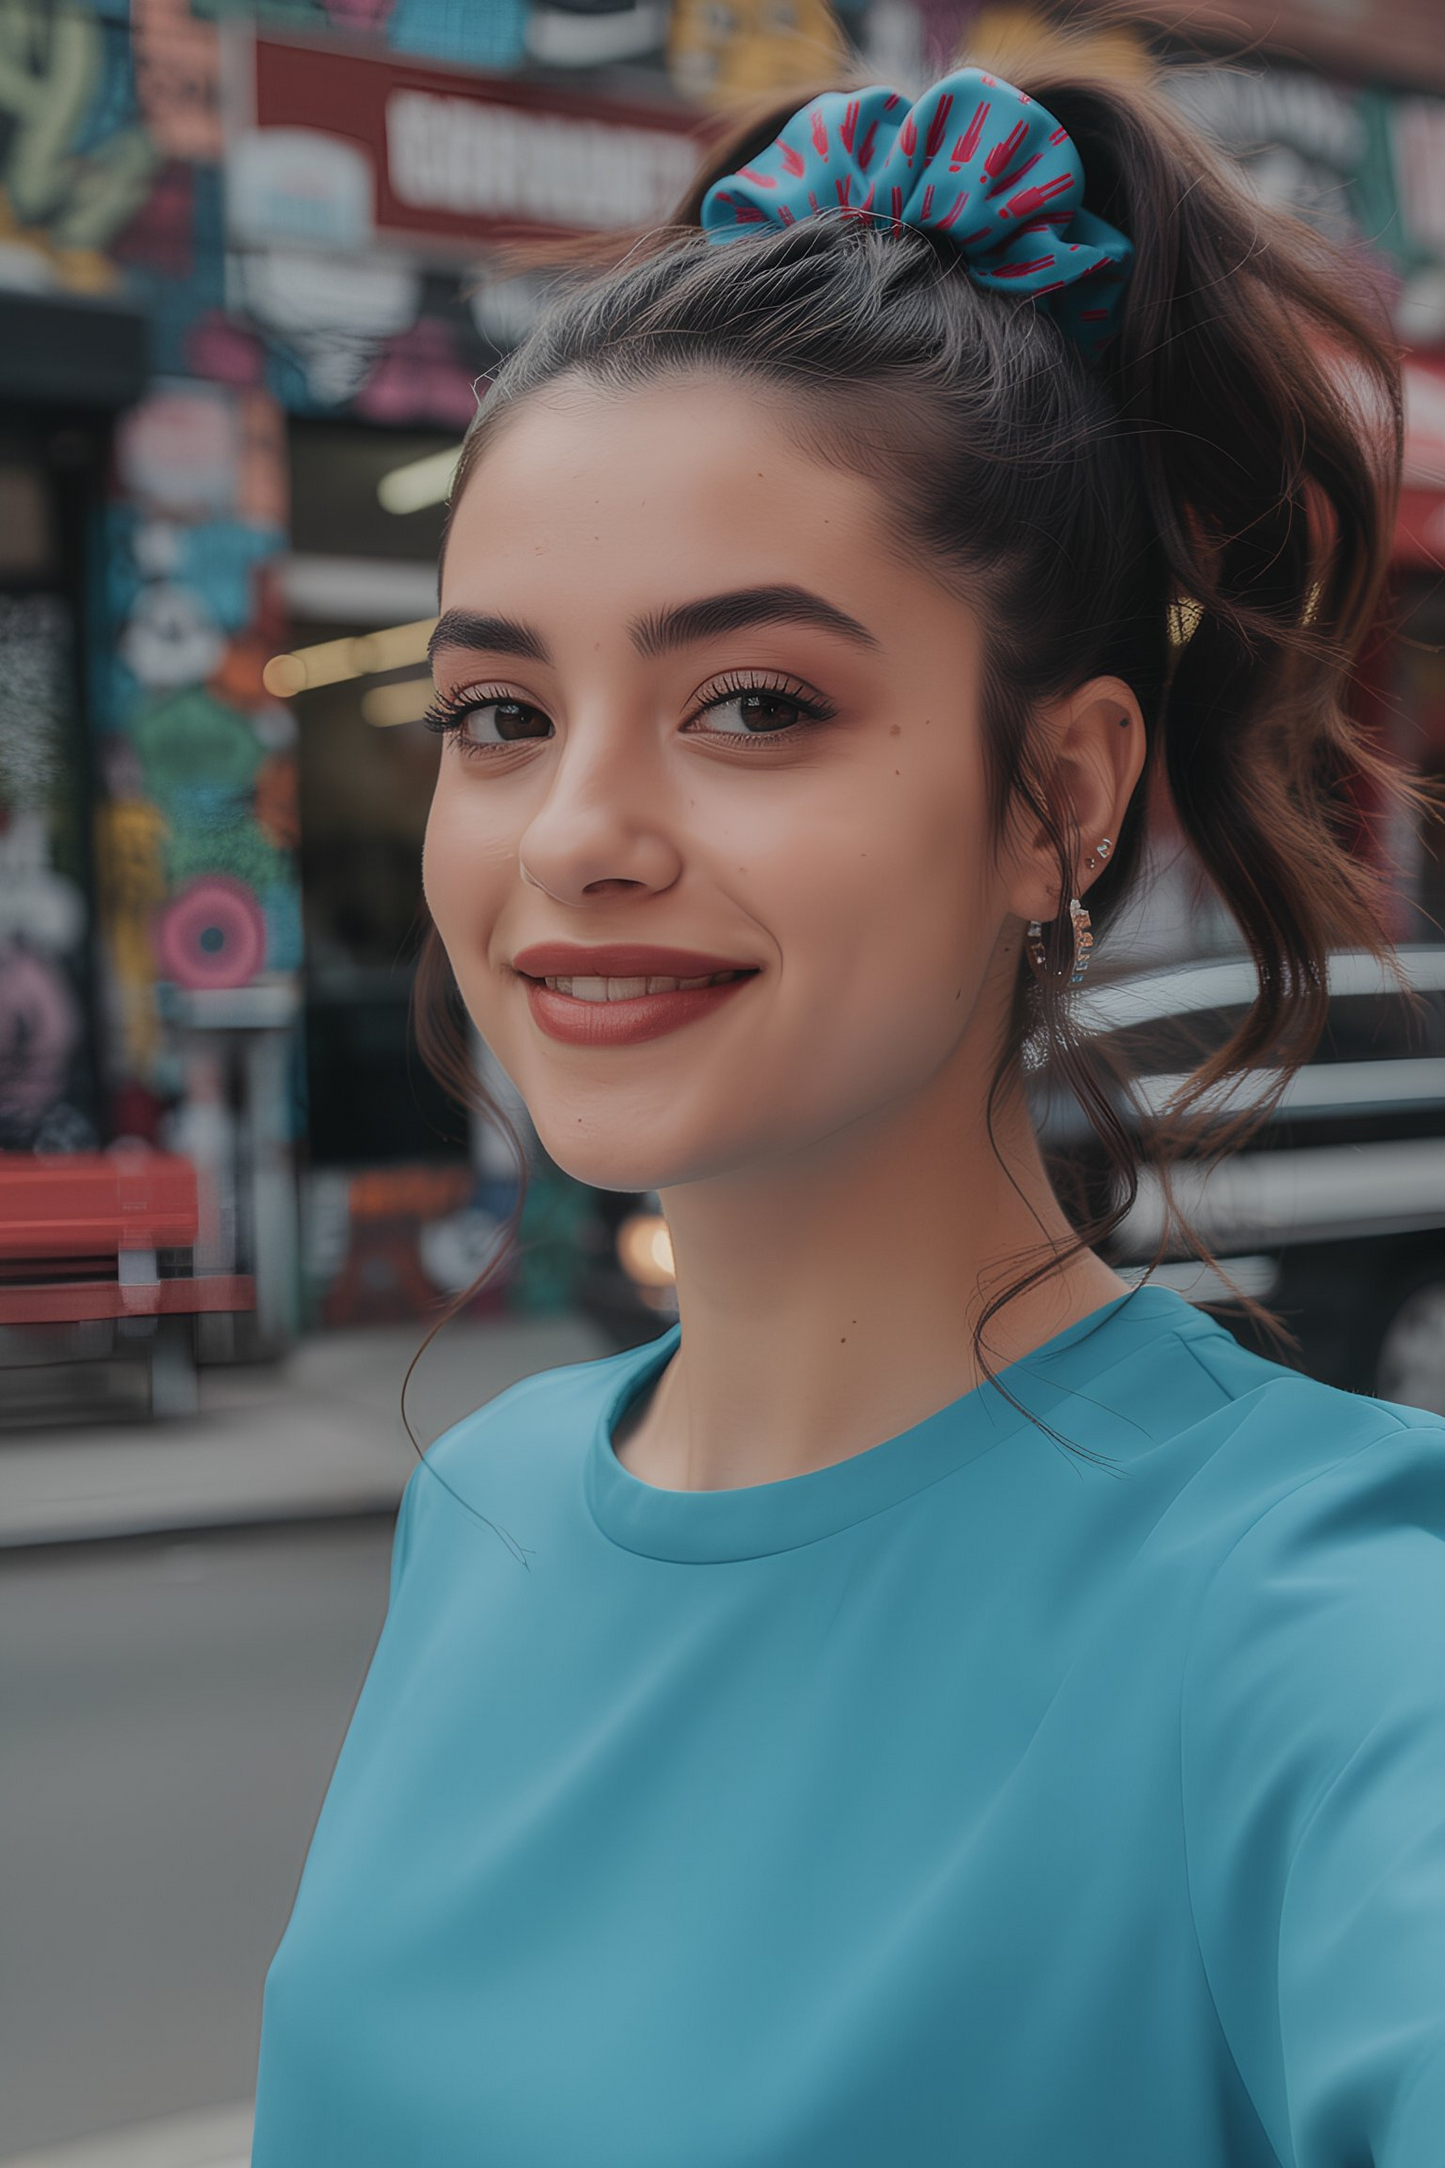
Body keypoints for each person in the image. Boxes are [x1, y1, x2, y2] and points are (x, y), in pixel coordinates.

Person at [251, 30, 1445, 2167]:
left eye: (753, 703)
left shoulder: (1317, 1625)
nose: (570, 836)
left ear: (1053, 796)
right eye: (499, 711)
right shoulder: (488, 1507)